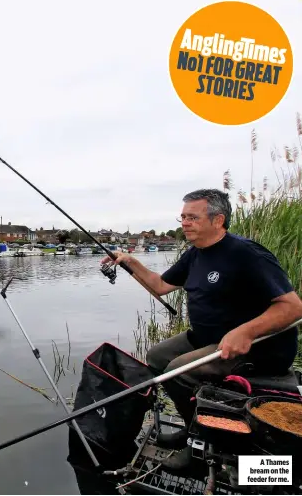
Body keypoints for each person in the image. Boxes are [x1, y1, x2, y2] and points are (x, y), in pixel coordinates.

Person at [101, 188, 302, 470]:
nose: (184, 222)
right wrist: (131, 263)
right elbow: (160, 286)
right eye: (182, 216)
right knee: (158, 356)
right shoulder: (195, 254)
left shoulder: (247, 254)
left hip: (258, 347)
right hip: (209, 338)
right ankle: (191, 426)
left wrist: (246, 331)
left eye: (192, 217)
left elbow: (293, 307)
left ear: (217, 220)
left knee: (178, 369)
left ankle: (200, 448)